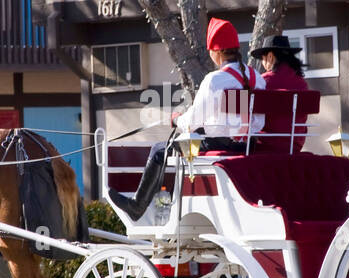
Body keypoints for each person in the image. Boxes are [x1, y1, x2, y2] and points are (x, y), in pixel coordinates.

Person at [110, 17, 263, 220]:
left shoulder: (215, 80)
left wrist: (176, 120)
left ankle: (138, 206)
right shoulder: (257, 79)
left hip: (220, 146)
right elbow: (256, 122)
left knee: (159, 150)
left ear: (216, 52)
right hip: (248, 145)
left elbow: (192, 122)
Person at [249, 34, 310, 153]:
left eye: (262, 58)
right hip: (295, 145)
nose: (262, 63)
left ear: (270, 56)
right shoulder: (302, 84)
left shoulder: (262, 82)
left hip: (266, 144)